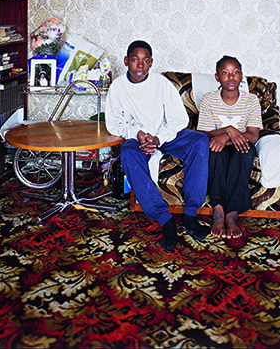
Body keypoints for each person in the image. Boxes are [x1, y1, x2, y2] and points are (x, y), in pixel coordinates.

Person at [105, 40, 210, 250]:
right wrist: (137, 133)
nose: (140, 65)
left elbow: (179, 120)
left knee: (200, 141)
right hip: (138, 138)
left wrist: (158, 139)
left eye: (145, 61)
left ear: (151, 63)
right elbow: (114, 123)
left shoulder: (161, 84)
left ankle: (190, 214)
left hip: (166, 135)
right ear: (127, 61)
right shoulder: (117, 87)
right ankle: (165, 219)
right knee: (128, 153)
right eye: (135, 60)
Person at [198, 55, 262, 239]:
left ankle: (232, 213)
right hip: (218, 145)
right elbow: (205, 133)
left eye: (235, 72)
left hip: (242, 145)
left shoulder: (251, 100)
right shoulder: (209, 100)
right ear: (217, 77)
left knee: (245, 151)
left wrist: (227, 135)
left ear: (241, 76)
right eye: (225, 73)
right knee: (216, 152)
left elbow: (253, 135)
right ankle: (218, 211)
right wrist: (228, 130)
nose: (231, 77)